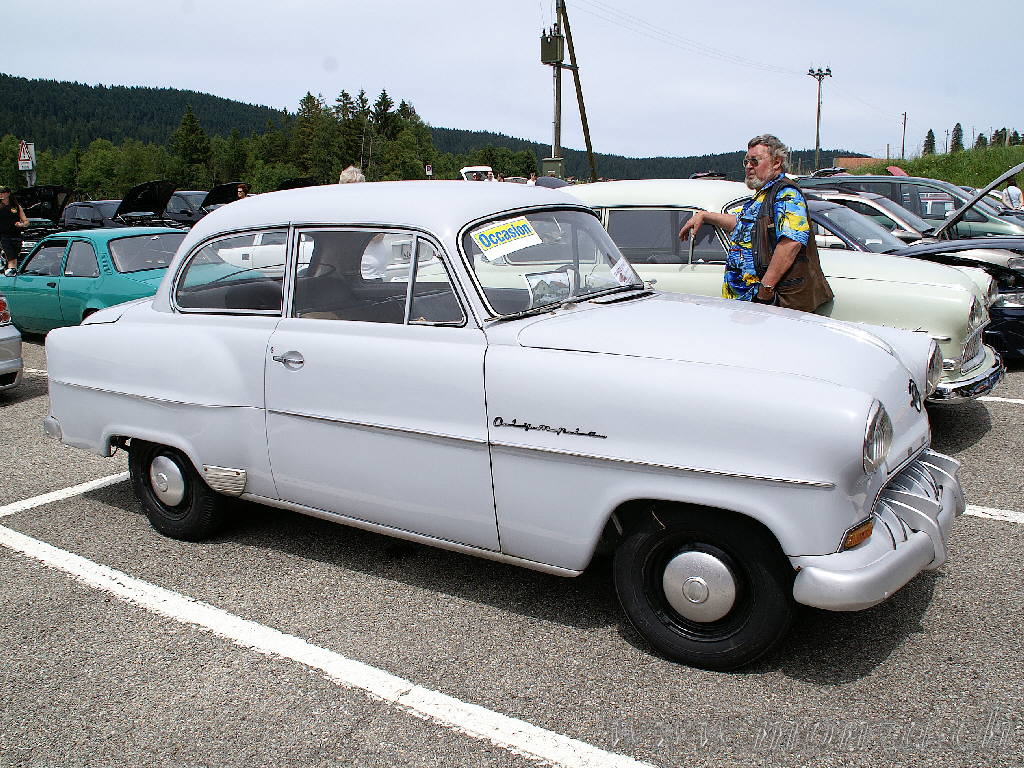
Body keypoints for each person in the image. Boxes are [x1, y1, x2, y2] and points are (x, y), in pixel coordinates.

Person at [679, 134, 832, 312]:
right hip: (746, 302)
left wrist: (765, 289)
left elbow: (791, 242)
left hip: (770, 303)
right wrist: (705, 216)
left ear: (776, 162)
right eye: (746, 161)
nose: (749, 166)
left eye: (755, 161)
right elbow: (743, 225)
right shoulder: (763, 195)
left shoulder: (786, 194)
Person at [0, 187, 29, 274]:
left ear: (8, 193)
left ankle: (12, 272)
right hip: (3, 236)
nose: (1, 194)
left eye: (3, 192)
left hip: (16, 236)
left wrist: (21, 224)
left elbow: (26, 221)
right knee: (11, 258)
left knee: (14, 258)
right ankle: (11, 273)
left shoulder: (16, 206)